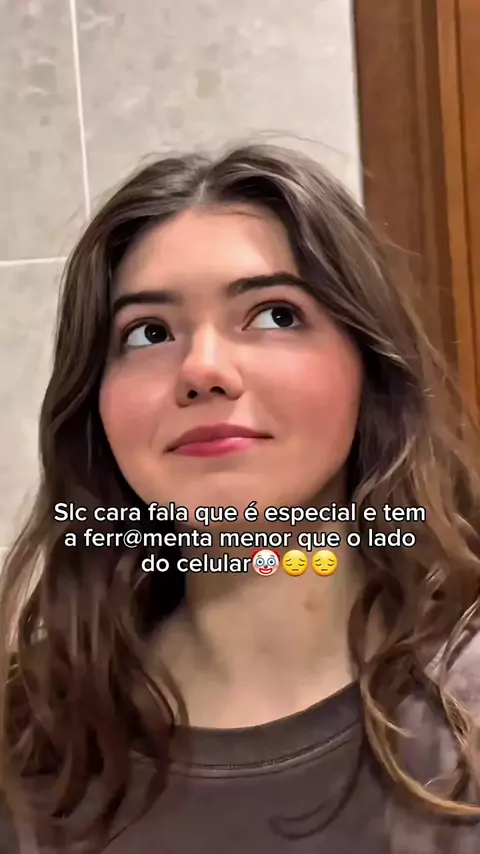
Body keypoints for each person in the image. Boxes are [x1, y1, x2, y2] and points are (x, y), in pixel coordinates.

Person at [1, 143, 480, 854]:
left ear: (370, 369)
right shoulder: (33, 737)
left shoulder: (466, 705)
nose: (202, 369)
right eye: (149, 333)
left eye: (274, 315)